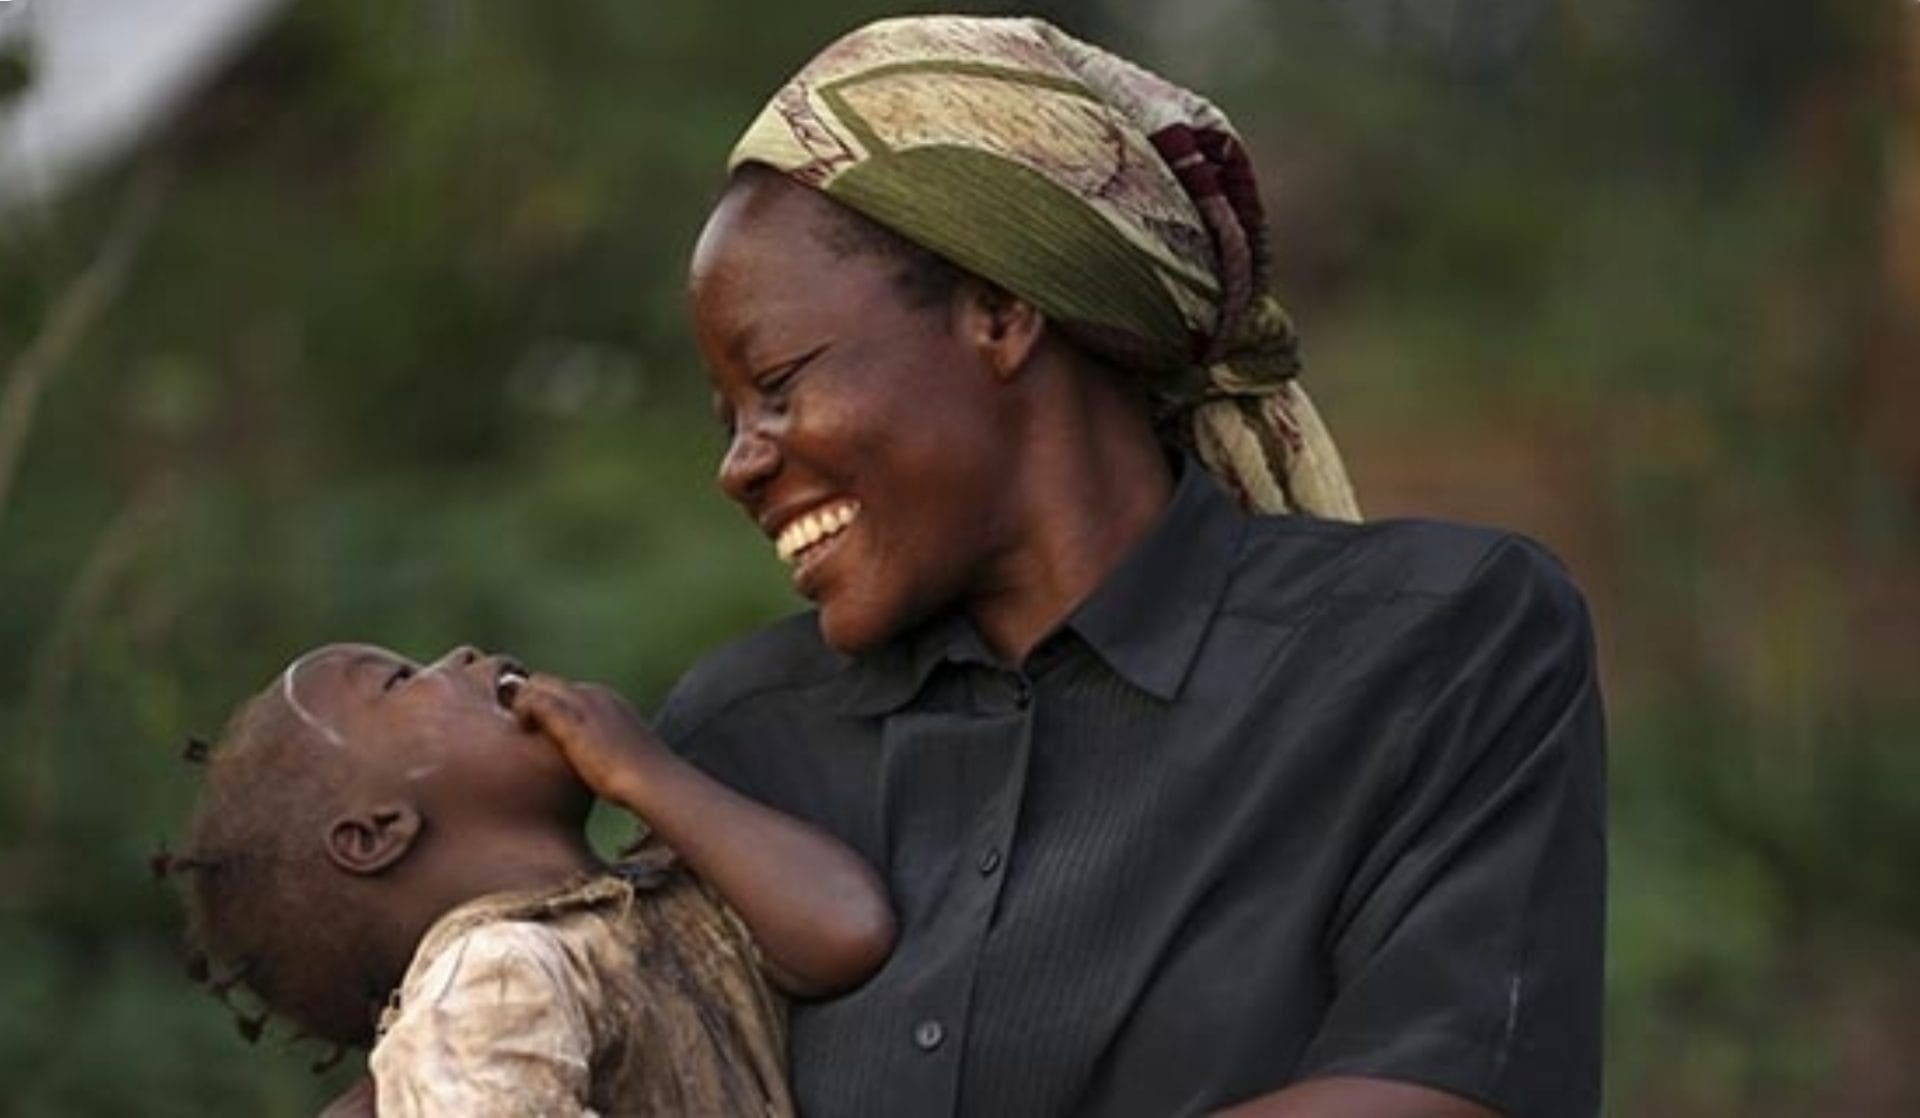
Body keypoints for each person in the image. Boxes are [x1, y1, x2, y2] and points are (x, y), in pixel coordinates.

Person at [589, 14, 1604, 1118]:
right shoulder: (739, 741)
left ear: (1002, 311)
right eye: (728, 415)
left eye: (777, 381)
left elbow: (1447, 1089)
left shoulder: (1435, 645)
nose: (739, 462)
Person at [163, 642, 894, 1116]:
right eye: (402, 679)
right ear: (377, 833)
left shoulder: (656, 900)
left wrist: (650, 775)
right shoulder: (485, 988)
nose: (462, 654)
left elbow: (845, 931)